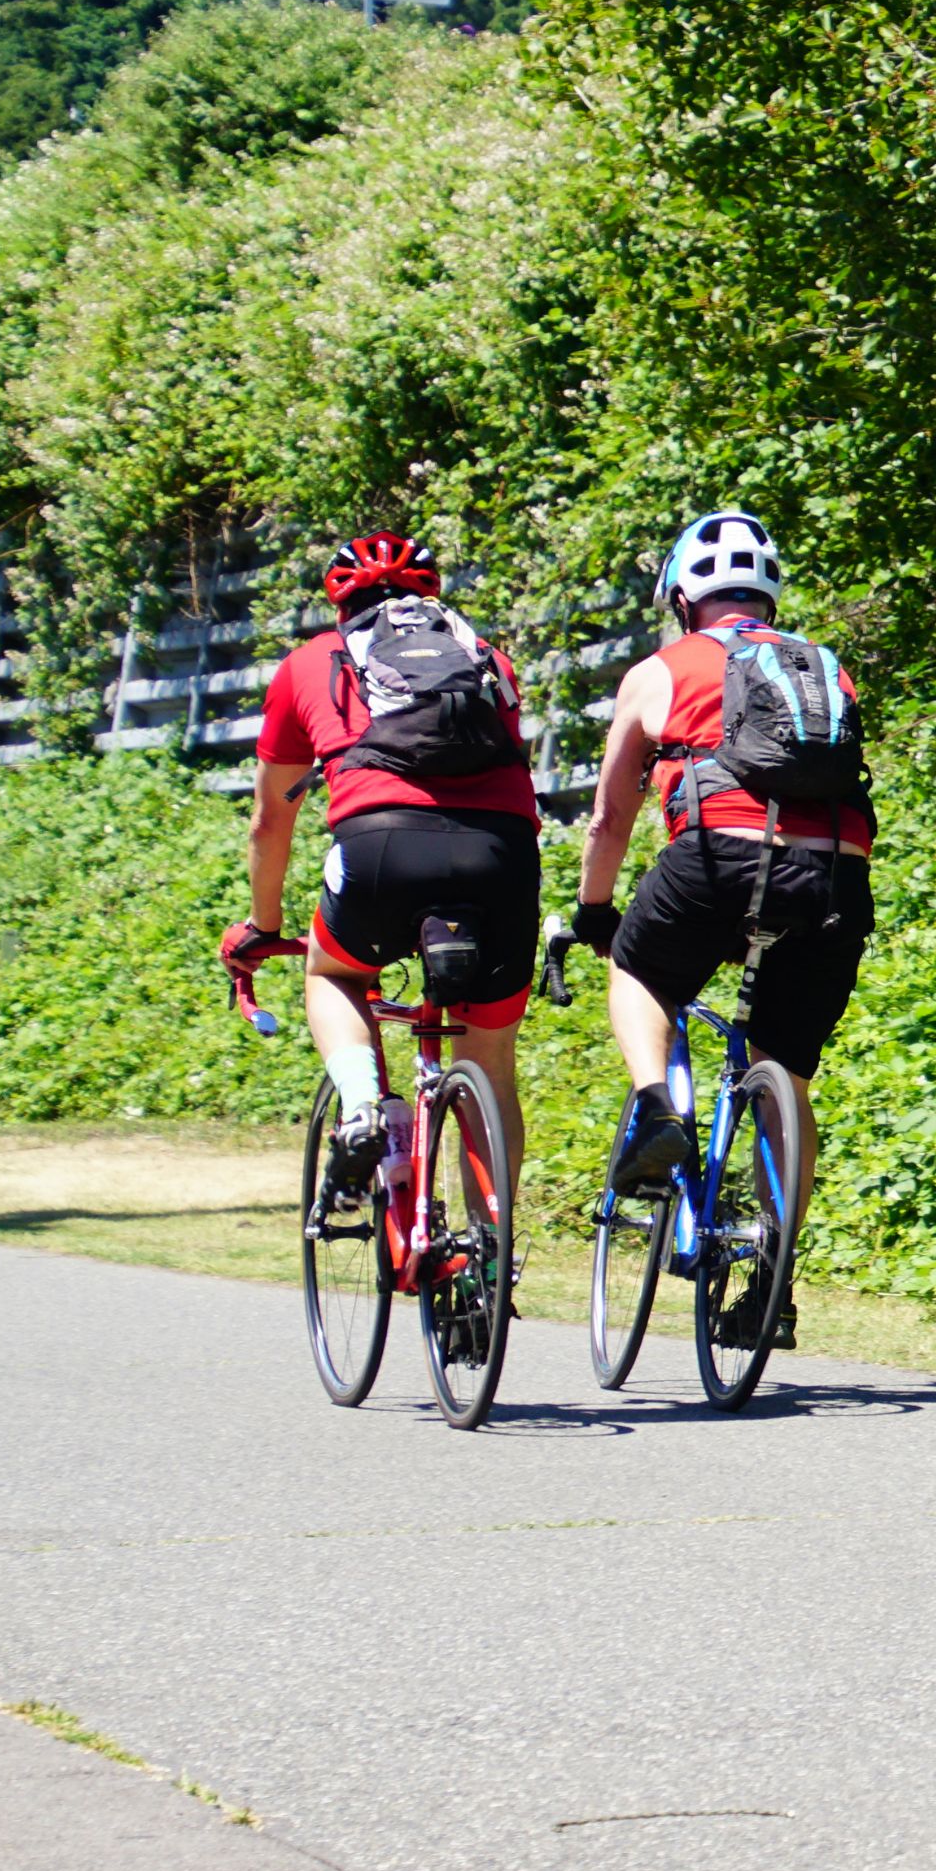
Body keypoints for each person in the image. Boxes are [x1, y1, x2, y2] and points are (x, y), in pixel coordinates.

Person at [568, 508, 873, 1350]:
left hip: (717, 859)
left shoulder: (660, 670)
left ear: (679, 596)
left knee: (638, 970)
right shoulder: (824, 668)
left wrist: (596, 912)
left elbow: (610, 816)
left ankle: (661, 1111)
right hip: (835, 878)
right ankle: (775, 1277)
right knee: (785, 1074)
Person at [223, 533, 543, 1195]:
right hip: (502, 854)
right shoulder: (488, 660)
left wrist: (262, 923)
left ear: (341, 604)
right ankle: (490, 1268)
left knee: (333, 972)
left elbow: (269, 819)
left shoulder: (313, 662)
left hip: (380, 846)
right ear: (430, 597)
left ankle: (367, 1109)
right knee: (489, 1067)